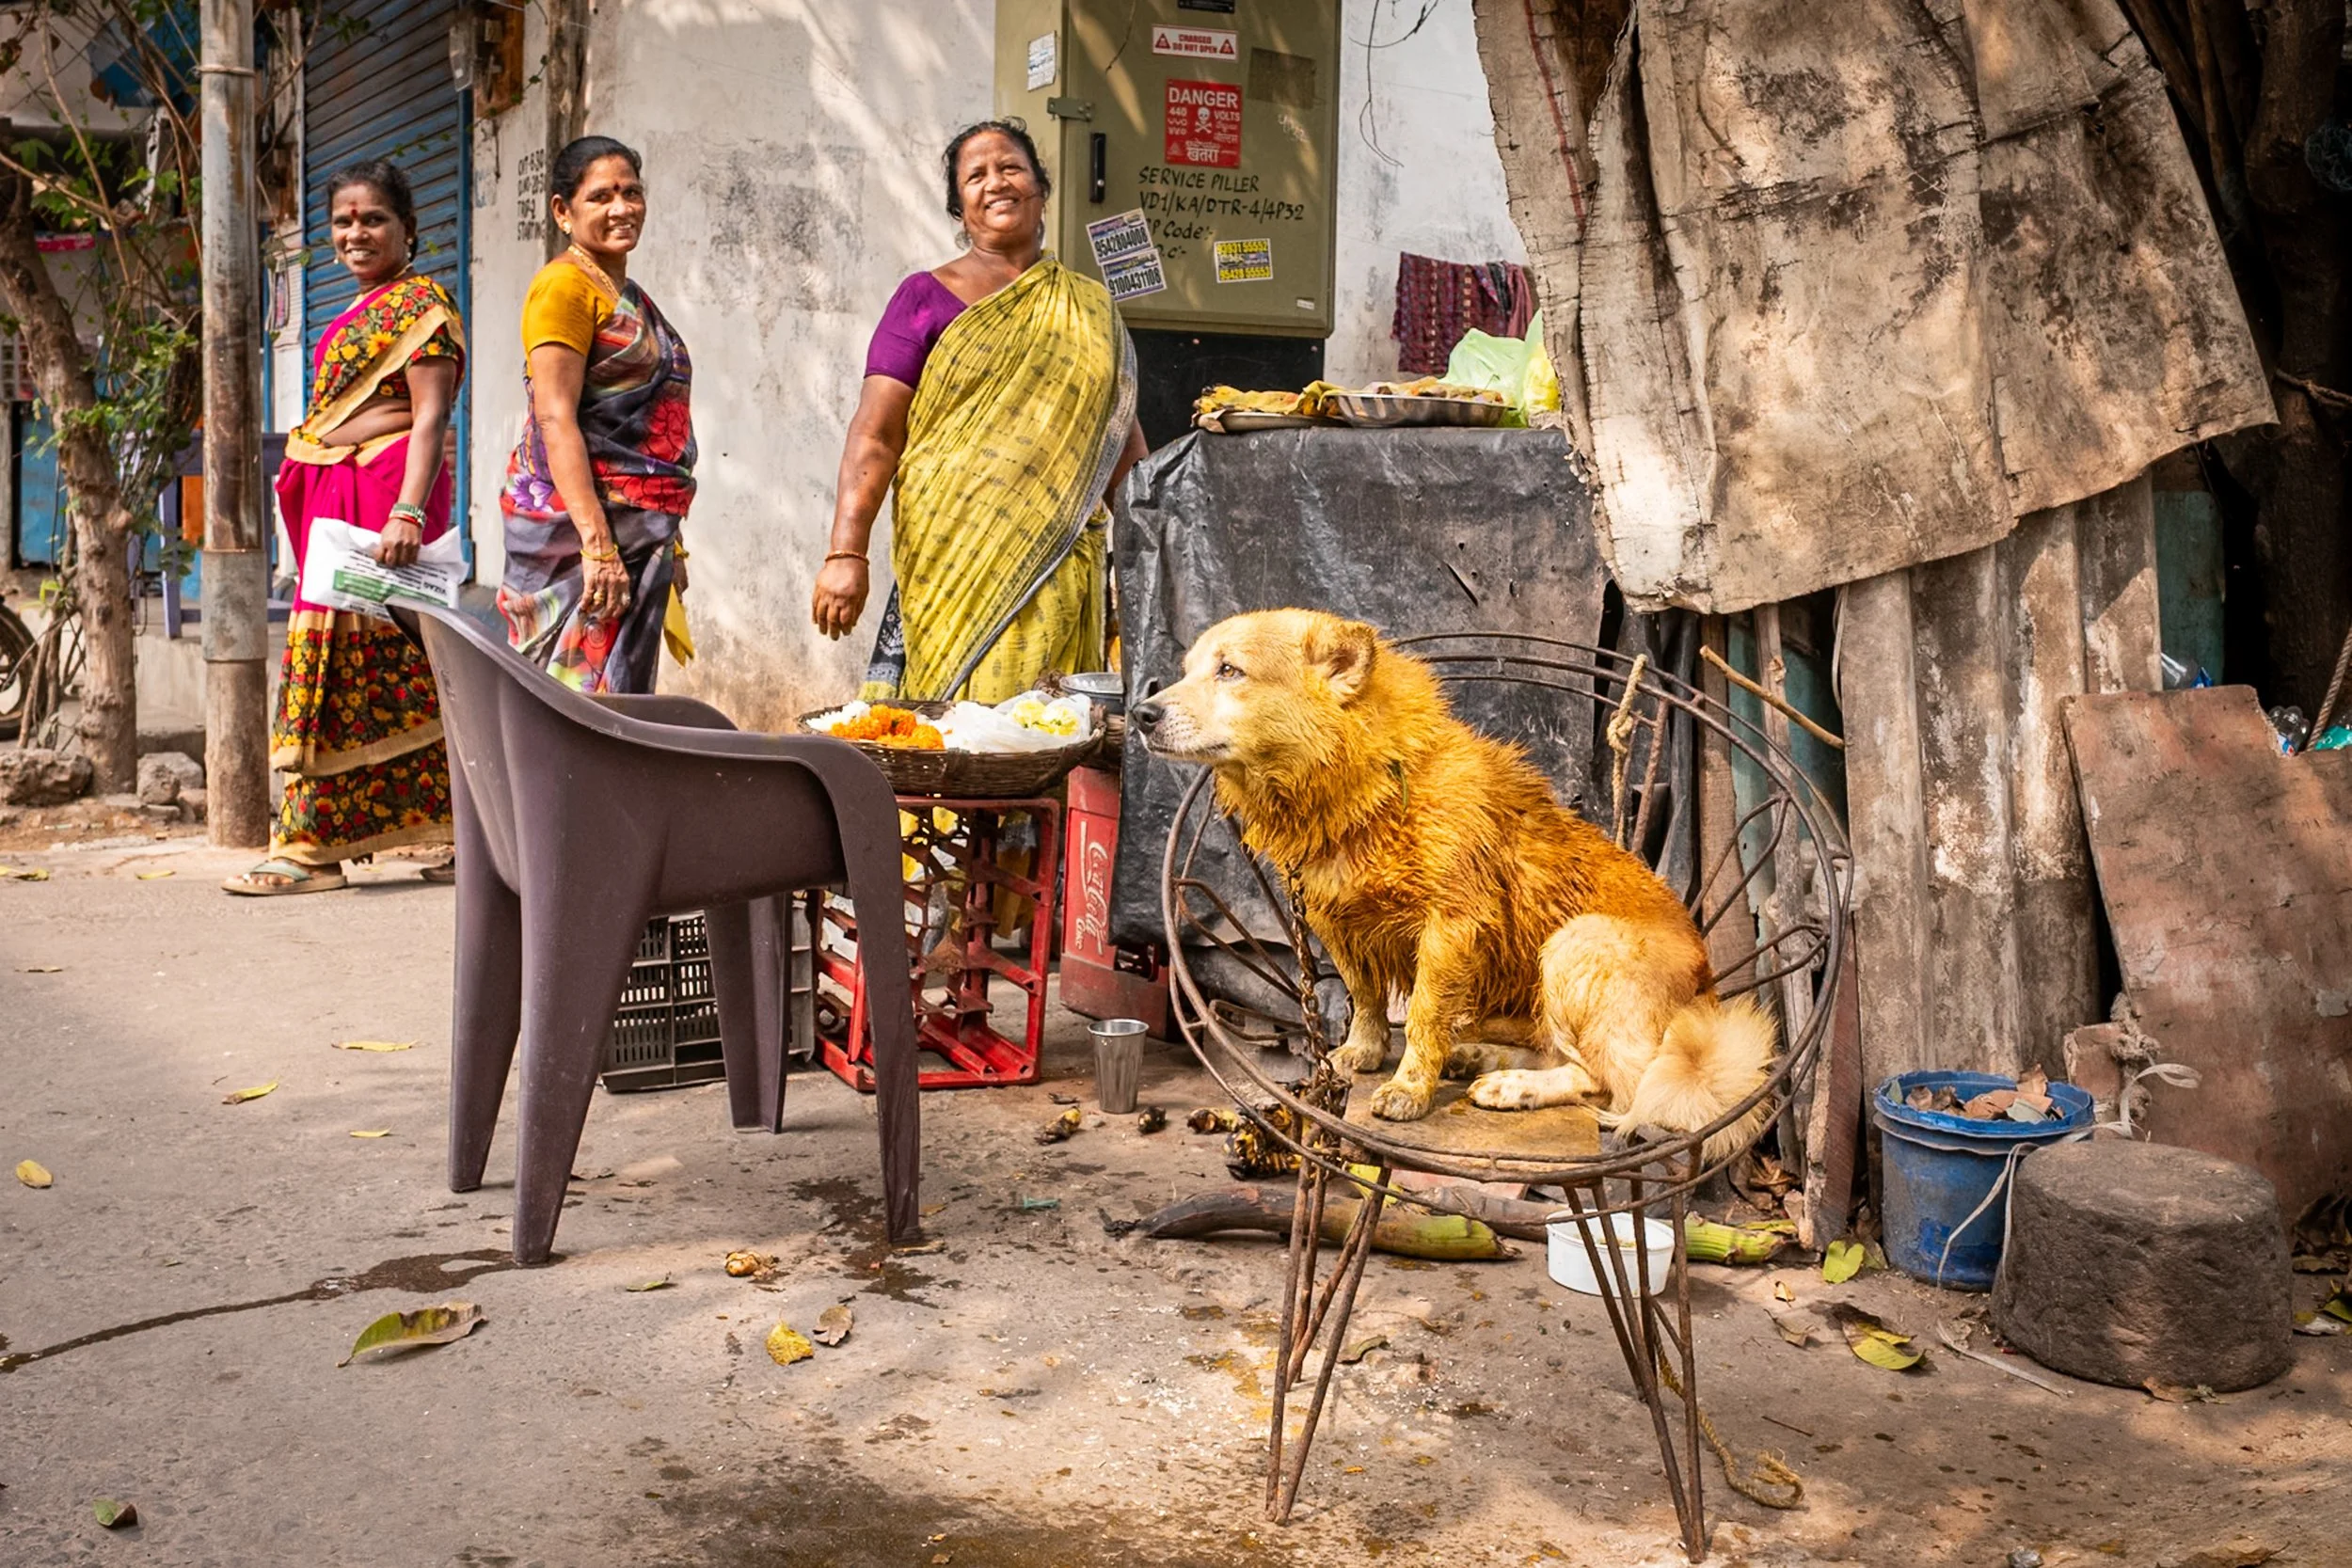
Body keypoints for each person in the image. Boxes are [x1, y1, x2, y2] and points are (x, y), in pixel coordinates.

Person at [813, 119, 1146, 703]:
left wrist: (1162, 556)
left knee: (1046, 732)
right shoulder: (923, 298)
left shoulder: (1091, 308)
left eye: (1011, 168)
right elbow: (877, 436)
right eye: (976, 176)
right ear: (958, 205)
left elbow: (1120, 446)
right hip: (951, 551)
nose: (996, 183)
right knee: (958, 726)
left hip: (1059, 555)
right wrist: (847, 553)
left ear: (1040, 189)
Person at [225, 159, 462, 896]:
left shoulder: (421, 306)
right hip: (343, 500)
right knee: (396, 675)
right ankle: (458, 827)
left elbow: (429, 417)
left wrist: (408, 511)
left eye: (374, 219)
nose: (356, 233)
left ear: (407, 228)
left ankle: (311, 849)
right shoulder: (355, 314)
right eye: (344, 221)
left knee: (348, 669)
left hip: (385, 501)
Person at [498, 135, 696, 693]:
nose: (621, 208)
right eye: (601, 196)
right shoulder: (562, 287)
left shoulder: (624, 290)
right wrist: (598, 546)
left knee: (618, 704)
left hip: (634, 528)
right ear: (563, 211)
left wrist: (666, 539)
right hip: (581, 534)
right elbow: (555, 417)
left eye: (631, 192)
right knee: (571, 704)